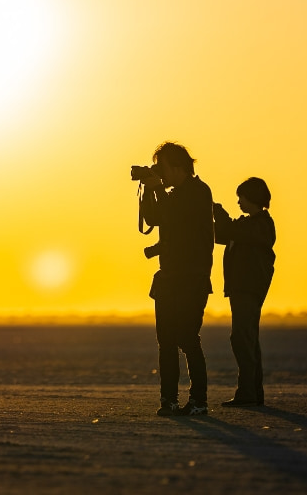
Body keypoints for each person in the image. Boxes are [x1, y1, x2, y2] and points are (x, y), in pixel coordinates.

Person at [135, 142, 215, 416]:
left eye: (162, 168)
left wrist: (156, 187)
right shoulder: (174, 194)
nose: (161, 174)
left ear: (178, 166)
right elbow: (155, 218)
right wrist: (148, 189)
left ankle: (199, 401)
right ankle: (168, 400)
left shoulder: (198, 192)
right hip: (169, 278)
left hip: (191, 278)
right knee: (166, 341)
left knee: (188, 338)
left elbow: (174, 215)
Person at [213, 177, 276, 407]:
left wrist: (216, 210)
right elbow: (223, 233)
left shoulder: (259, 225)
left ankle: (247, 393)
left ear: (252, 198)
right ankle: (252, 392)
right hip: (244, 290)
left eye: (241, 198)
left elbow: (229, 229)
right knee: (247, 338)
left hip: (248, 289)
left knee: (242, 338)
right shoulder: (253, 225)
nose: (239, 202)